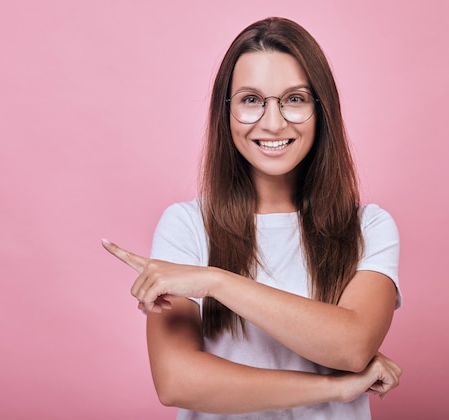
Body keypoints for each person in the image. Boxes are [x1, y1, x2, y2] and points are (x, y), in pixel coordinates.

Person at [102, 16, 402, 419]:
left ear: (321, 108)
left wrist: (214, 280)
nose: (273, 122)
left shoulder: (369, 227)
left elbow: (352, 345)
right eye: (251, 100)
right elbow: (177, 381)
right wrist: (334, 388)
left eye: (294, 99)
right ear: (226, 112)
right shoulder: (186, 226)